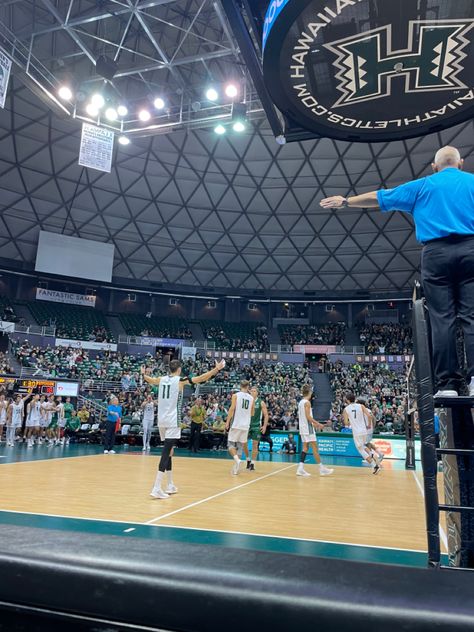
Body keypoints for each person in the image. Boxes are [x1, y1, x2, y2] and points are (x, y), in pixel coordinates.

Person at [320, 146, 474, 398]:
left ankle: (447, 386)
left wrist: (346, 201)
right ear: (461, 163)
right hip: (471, 249)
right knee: (472, 316)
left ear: (434, 167)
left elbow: (380, 197)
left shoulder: (422, 185)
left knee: (442, 319)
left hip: (436, 254)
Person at [142, 359, 225, 499]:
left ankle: (169, 484)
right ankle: (156, 487)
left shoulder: (161, 379)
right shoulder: (180, 380)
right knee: (166, 451)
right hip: (173, 420)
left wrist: (143, 374)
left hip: (161, 419)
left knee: (169, 451)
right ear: (179, 369)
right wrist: (216, 369)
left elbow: (149, 380)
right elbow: (201, 378)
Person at [297, 384, 333, 477]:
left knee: (305, 448)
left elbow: (304, 417)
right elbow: (308, 417)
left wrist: (314, 424)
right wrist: (318, 424)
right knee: (315, 448)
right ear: (310, 392)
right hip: (307, 428)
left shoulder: (301, 402)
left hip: (302, 428)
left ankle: (300, 469)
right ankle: (322, 469)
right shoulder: (307, 403)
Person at [343, 392, 381, 475]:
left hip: (356, 432)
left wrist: (351, 423)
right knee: (363, 446)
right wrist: (368, 425)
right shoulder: (361, 406)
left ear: (348, 400)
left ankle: (374, 465)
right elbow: (369, 416)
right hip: (364, 430)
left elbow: (346, 423)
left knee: (361, 450)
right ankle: (373, 455)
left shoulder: (346, 409)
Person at [225, 380, 255, 476]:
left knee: (230, 444)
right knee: (240, 446)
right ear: (248, 387)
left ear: (240, 386)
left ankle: (237, 460)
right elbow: (252, 413)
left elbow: (232, 409)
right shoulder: (251, 398)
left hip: (237, 423)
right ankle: (236, 469)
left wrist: (227, 422)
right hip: (246, 425)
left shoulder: (236, 395)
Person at [245, 386, 269, 471]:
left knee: (255, 444)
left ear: (257, 393)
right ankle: (248, 459)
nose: (252, 392)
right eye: (251, 391)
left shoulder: (261, 402)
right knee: (244, 443)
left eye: (254, 391)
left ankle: (253, 463)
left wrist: (264, 425)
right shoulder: (247, 401)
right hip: (246, 425)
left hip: (256, 426)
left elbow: (266, 415)